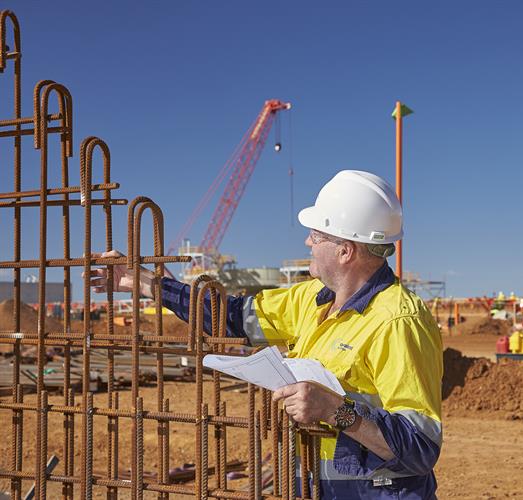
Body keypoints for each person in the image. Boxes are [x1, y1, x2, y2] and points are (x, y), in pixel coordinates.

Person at [91, 170, 443, 499]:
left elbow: (421, 447)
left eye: (316, 234)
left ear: (345, 250)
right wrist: (144, 282)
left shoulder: (397, 321)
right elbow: (229, 317)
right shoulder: (312, 299)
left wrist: (335, 409)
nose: (307, 241)